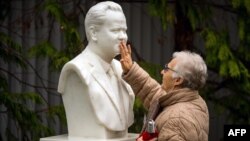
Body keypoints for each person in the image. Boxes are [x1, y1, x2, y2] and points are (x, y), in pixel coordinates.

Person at [57, 1, 134, 139]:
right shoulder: (76, 70)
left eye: (125, 30)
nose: (123, 36)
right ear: (93, 33)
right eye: (116, 30)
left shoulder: (121, 68)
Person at [119, 42, 209, 141]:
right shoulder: (193, 101)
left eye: (167, 69)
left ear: (178, 80)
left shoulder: (177, 121)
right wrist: (131, 70)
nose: (162, 71)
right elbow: (153, 92)